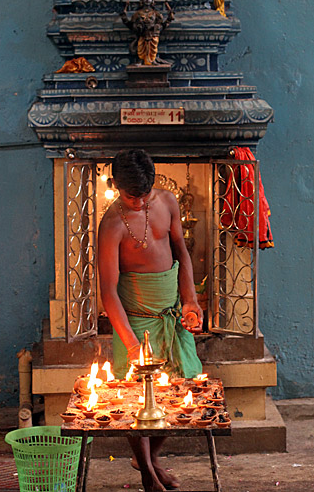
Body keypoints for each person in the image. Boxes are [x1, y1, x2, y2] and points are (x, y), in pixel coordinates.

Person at [98, 149, 203, 492]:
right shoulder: (112, 225)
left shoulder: (168, 201)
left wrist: (190, 301)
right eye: (132, 197)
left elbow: (181, 253)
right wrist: (130, 344)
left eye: (144, 195)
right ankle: (146, 471)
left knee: (182, 390)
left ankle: (150, 458)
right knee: (135, 402)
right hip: (135, 323)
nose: (140, 203)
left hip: (171, 314)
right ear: (115, 185)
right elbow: (109, 292)